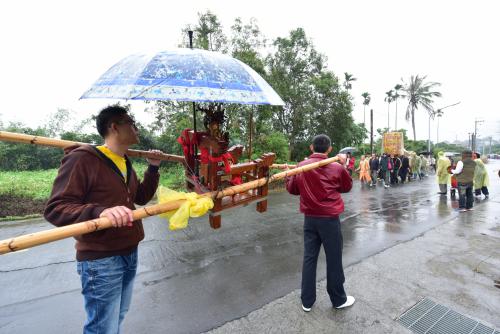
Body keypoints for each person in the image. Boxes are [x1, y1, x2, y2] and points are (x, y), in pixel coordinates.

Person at [44, 105, 162, 334]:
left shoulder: (124, 161)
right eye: (131, 123)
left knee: (116, 317)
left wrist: (153, 168)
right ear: (114, 127)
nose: (137, 128)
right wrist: (99, 212)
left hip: (129, 251)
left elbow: (140, 198)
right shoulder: (82, 159)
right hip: (100, 260)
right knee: (102, 327)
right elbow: (56, 209)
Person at [285, 134, 354, 312]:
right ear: (329, 149)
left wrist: (289, 176)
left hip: (310, 219)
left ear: (311, 147)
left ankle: (307, 301)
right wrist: (344, 166)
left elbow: (292, 189)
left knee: (309, 258)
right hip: (329, 220)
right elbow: (346, 187)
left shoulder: (302, 166)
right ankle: (338, 299)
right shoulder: (336, 167)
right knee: (334, 259)